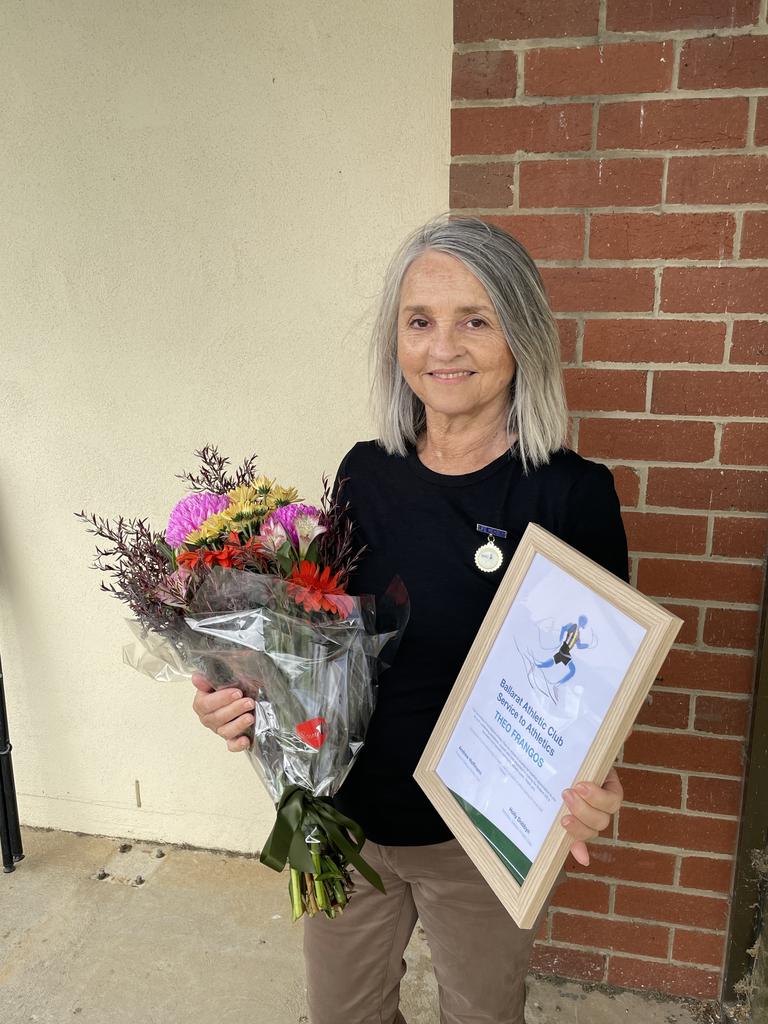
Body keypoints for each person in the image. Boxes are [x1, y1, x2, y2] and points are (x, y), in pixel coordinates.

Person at [191, 216, 628, 1024]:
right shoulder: (365, 472)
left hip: (478, 841)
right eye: (420, 321)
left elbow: (597, 683)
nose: (443, 347)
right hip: (344, 821)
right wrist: (240, 691)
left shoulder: (570, 495)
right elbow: (316, 643)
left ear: (521, 332)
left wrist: (600, 776)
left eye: (476, 319)